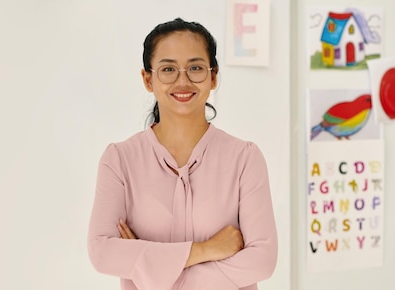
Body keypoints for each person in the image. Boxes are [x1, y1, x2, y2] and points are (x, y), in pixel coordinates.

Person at [87, 18, 278, 290]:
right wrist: (206, 250)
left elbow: (262, 261)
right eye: (168, 69)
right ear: (148, 79)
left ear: (213, 77)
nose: (183, 81)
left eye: (195, 68)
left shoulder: (245, 158)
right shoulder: (119, 160)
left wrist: (149, 266)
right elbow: (101, 253)